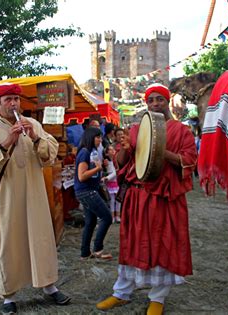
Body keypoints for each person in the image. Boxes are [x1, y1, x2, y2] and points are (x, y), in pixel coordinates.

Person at [96, 83, 197, 315]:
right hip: (137, 196)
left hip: (164, 198)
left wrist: (159, 151)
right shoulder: (136, 128)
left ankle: (157, 299)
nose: (154, 104)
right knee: (131, 243)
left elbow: (190, 161)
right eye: (150, 100)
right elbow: (123, 162)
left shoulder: (181, 131)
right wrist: (124, 148)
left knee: (163, 245)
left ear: (167, 101)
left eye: (159, 100)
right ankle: (121, 293)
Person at [0, 83, 70, 314]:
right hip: (7, 196)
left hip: (35, 193)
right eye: (8, 99)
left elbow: (50, 154)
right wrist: (9, 140)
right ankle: (8, 295)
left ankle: (48, 285)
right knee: (9, 242)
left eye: (16, 99)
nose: (13, 103)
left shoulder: (33, 123)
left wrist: (35, 137)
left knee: (41, 239)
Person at [74, 127, 113, 260]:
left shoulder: (91, 151)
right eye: (98, 137)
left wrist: (101, 166)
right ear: (91, 138)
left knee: (91, 221)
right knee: (107, 217)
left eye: (100, 137)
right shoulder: (85, 152)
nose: (100, 140)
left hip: (88, 190)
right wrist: (98, 168)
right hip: (87, 191)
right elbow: (82, 176)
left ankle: (85, 253)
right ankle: (98, 249)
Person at [102, 144, 121, 223]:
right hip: (110, 184)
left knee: (118, 200)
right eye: (110, 149)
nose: (112, 150)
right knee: (112, 200)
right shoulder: (106, 162)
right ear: (106, 153)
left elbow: (115, 172)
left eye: (113, 149)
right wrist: (106, 177)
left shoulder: (117, 160)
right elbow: (109, 172)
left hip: (117, 183)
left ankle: (118, 216)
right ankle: (112, 216)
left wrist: (107, 178)